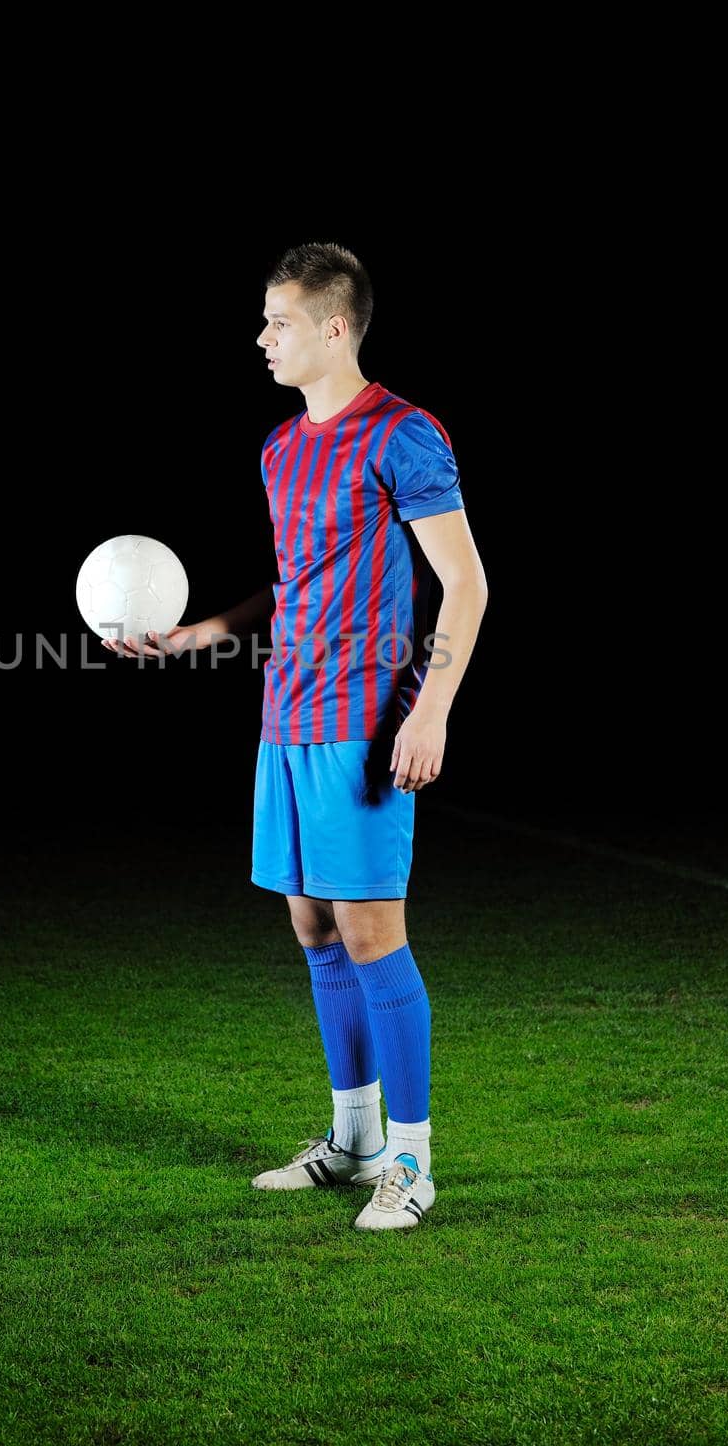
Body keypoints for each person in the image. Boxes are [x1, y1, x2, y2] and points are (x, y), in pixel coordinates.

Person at [103, 242, 488, 1231]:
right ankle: (352, 1141)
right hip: (286, 717)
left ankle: (411, 1160)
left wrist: (430, 708)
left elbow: (466, 583)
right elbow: (292, 586)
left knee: (370, 934)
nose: (261, 337)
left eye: (277, 321)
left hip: (364, 723)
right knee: (311, 927)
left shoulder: (401, 434)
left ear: (332, 325)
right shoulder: (280, 448)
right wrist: (200, 634)